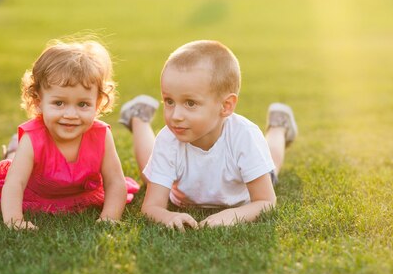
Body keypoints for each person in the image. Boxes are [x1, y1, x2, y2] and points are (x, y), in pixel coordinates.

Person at [0, 39, 140, 230]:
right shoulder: (33, 138)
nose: (70, 115)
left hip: (78, 194)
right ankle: (12, 150)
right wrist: (15, 220)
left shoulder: (101, 135)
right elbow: (15, 183)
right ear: (38, 101)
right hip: (34, 193)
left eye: (83, 104)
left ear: (98, 102)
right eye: (59, 103)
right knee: (14, 164)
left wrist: (109, 217)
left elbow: (115, 181)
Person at [118, 40, 298, 230]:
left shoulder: (244, 136)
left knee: (270, 169)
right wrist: (167, 216)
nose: (175, 116)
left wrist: (231, 215)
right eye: (169, 101)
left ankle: (279, 127)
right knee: (150, 176)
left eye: (190, 103)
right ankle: (138, 119)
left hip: (241, 191)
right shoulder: (169, 138)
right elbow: (151, 207)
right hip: (180, 193)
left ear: (225, 106)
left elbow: (266, 201)